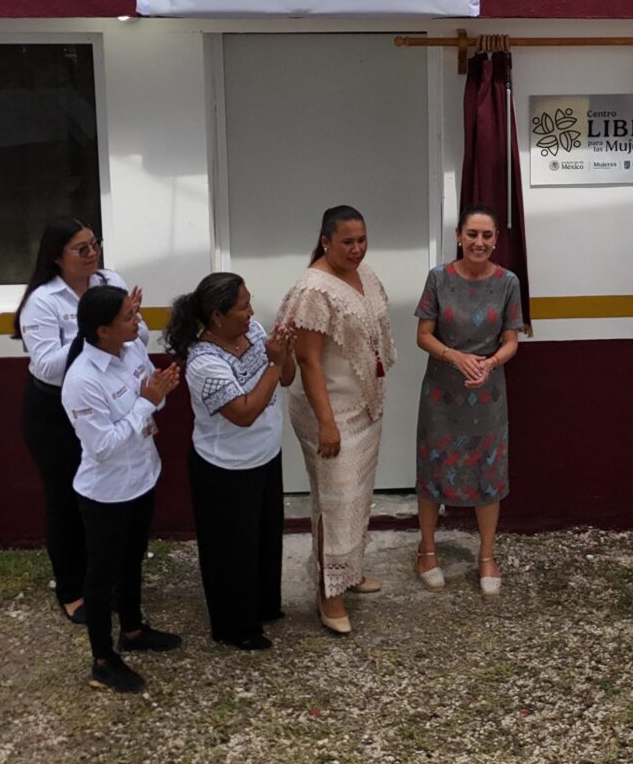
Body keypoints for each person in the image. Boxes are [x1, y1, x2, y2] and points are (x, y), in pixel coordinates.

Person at [277, 205, 396, 636]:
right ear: (325, 241)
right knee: (334, 501)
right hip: (328, 412)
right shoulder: (314, 289)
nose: (357, 248)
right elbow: (308, 361)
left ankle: (349, 570)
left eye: (362, 239)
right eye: (347, 241)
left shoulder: (365, 274)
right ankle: (329, 592)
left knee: (357, 498)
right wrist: (327, 423)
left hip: (363, 405)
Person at [13, 218, 139, 623]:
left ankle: (107, 579)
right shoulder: (43, 300)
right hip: (54, 410)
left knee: (108, 494)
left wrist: (126, 326)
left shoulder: (109, 281)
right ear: (56, 257)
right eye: (81, 249)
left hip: (105, 398)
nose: (92, 254)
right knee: (67, 498)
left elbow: (135, 337)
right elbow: (47, 366)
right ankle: (72, 589)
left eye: (94, 244)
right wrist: (92, 333)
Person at [62, 284, 181, 694]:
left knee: (132, 560)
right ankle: (102, 660)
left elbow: (153, 399)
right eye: (129, 317)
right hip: (107, 493)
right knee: (102, 576)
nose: (138, 321)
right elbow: (103, 446)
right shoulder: (82, 380)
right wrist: (147, 402)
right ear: (102, 330)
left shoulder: (131, 351)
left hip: (142, 477)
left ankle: (132, 630)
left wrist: (158, 393)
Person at [167, 274, 296, 651]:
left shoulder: (253, 332)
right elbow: (243, 413)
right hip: (225, 469)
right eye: (243, 306)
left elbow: (287, 378)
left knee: (265, 538)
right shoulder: (203, 362)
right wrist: (274, 364)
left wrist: (285, 353)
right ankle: (235, 627)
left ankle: (263, 606)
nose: (251, 311)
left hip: (265, 456)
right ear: (217, 316)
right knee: (231, 551)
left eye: (249, 301)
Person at [414, 206, 527, 597]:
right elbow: (423, 335)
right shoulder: (438, 278)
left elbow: (511, 340)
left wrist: (490, 363)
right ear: (459, 236)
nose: (479, 242)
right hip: (441, 393)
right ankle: (427, 550)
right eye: (472, 234)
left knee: (488, 470)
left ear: (496, 240)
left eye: (487, 235)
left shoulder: (508, 282)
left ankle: (487, 555)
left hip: (487, 393)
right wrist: (455, 356)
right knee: (433, 467)